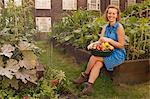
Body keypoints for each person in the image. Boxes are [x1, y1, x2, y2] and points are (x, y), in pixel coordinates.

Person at [73, 5, 126, 96]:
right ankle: (89, 86)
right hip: (106, 51)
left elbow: (121, 45)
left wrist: (109, 40)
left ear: (117, 15)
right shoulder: (105, 26)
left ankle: (84, 75)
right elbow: (101, 40)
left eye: (114, 13)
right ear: (107, 14)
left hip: (117, 53)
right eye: (109, 13)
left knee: (94, 57)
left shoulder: (119, 27)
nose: (111, 15)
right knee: (98, 63)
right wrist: (93, 44)